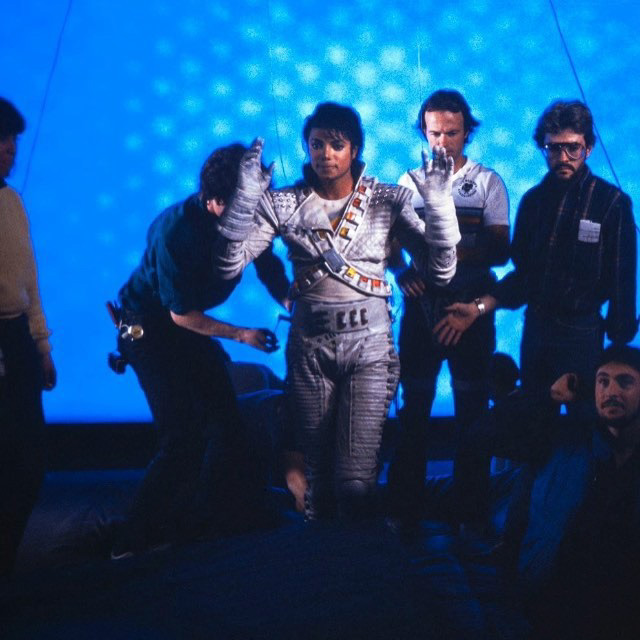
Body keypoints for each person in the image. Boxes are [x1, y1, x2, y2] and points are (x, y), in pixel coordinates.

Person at [214, 102, 460, 520]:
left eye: (336, 145)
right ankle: (322, 555)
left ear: (354, 149)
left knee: (356, 481)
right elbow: (227, 265)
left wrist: (439, 205)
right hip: (310, 347)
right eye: (317, 144)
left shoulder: (387, 200)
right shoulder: (283, 203)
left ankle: (359, 558)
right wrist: (245, 199)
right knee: (317, 476)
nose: (325, 154)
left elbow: (440, 271)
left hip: (370, 350)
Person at [111, 143, 290, 558]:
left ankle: (205, 524)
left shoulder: (249, 217)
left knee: (227, 424)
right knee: (181, 437)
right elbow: (181, 316)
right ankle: (129, 544)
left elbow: (268, 267)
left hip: (187, 323)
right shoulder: (176, 231)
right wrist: (241, 334)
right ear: (215, 202)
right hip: (148, 327)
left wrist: (291, 301)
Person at [434, 100, 637, 419]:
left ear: (588, 148)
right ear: (543, 148)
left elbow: (623, 280)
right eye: (553, 148)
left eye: (572, 148)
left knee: (587, 424)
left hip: (583, 332)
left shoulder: (611, 203)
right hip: (537, 330)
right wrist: (477, 308)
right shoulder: (533, 203)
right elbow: (523, 278)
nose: (563, 157)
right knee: (533, 424)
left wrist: (619, 348)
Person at [386, 89, 510, 527]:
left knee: (472, 411)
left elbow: (501, 251)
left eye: (451, 133)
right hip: (422, 309)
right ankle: (405, 512)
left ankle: (471, 515)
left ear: (467, 132)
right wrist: (402, 270)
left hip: (471, 306)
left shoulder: (488, 182)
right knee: (414, 408)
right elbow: (390, 244)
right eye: (435, 133)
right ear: (424, 131)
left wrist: (443, 254)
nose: (442, 142)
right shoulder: (407, 182)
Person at [505, 345, 640, 639]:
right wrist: (550, 397)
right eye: (603, 382)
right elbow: (481, 435)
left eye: (625, 382)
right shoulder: (567, 444)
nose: (611, 391)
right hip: (558, 606)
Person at [0, 97, 56, 577]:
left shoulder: (11, 201)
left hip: (16, 337)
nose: (10, 149)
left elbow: (28, 279)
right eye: (1, 139)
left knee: (29, 461)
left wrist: (41, 345)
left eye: (13, 139)